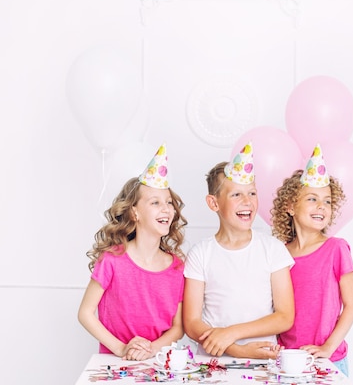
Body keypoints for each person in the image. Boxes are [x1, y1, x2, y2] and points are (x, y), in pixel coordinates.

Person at [183, 141, 295, 360]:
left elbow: (285, 316)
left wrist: (232, 333)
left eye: (252, 193)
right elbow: (192, 322)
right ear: (213, 203)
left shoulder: (272, 249)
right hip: (212, 362)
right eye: (236, 195)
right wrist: (237, 349)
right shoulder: (200, 254)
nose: (247, 202)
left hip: (263, 359)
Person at [78, 143, 188, 361]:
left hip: (157, 363)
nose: (166, 208)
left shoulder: (177, 267)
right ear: (135, 213)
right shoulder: (112, 260)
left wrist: (152, 348)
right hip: (114, 362)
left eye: (168, 202)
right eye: (155, 202)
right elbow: (85, 313)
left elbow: (178, 327)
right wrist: (121, 348)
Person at [271, 144, 353, 376]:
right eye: (312, 199)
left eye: (328, 201)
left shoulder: (336, 249)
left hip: (328, 360)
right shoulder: (278, 254)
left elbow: (352, 305)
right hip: (287, 360)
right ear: (290, 206)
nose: (322, 206)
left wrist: (328, 348)